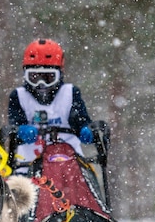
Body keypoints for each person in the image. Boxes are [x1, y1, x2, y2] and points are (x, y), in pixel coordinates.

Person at [7, 38, 93, 172]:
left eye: (48, 78)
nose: (41, 85)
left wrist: (86, 130)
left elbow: (80, 121)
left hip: (71, 167)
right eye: (34, 78)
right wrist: (20, 131)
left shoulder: (70, 94)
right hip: (28, 168)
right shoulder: (19, 96)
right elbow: (14, 125)